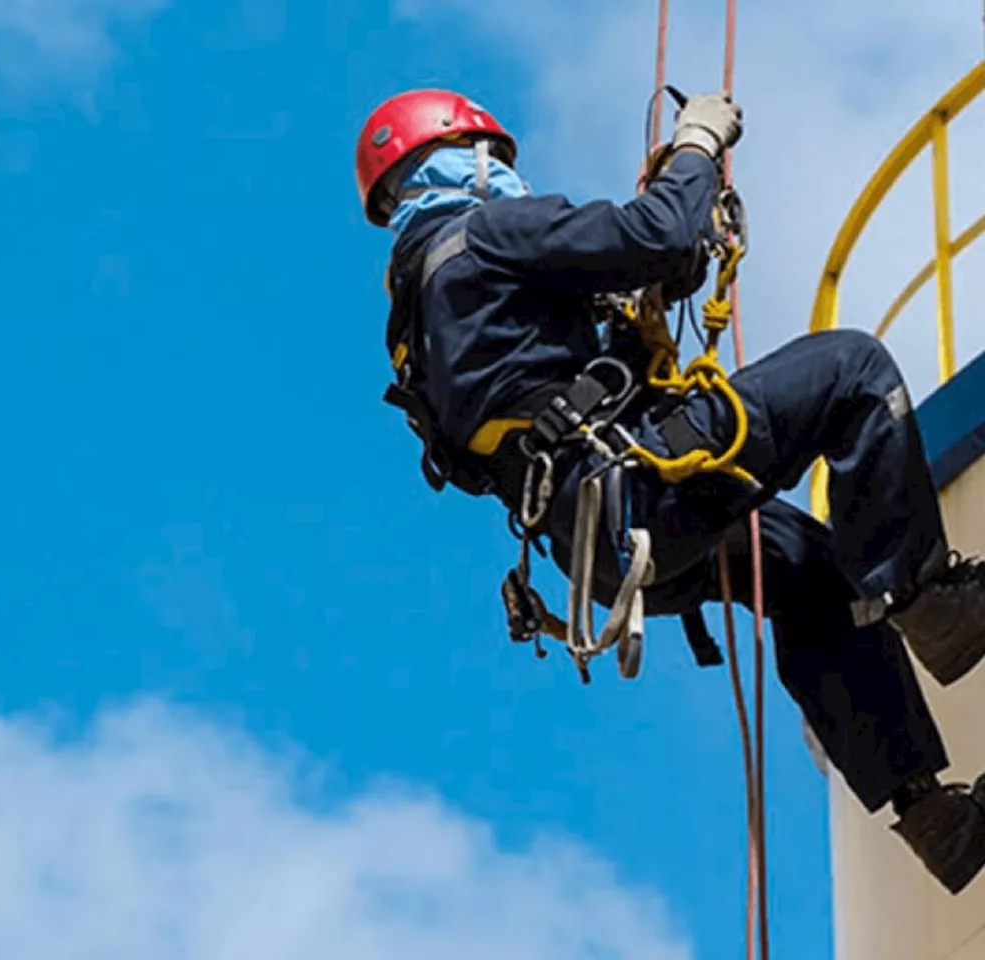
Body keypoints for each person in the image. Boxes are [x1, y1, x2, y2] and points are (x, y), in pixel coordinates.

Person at [354, 86, 985, 895]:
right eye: (493, 162)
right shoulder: (486, 232)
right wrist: (694, 149)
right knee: (850, 369)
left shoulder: (420, 321)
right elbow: (654, 236)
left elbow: (640, 282)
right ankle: (933, 602)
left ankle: (937, 821)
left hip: (608, 550)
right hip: (636, 493)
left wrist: (653, 287)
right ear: (461, 162)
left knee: (804, 569)